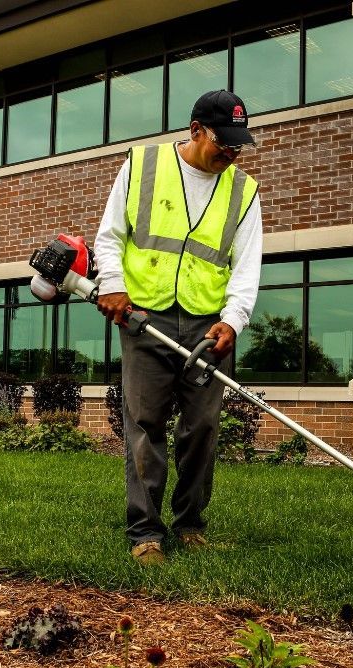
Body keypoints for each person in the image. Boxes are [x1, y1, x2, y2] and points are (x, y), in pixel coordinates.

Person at [93, 90, 263, 565]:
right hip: (145, 319)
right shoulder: (143, 166)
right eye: (223, 143)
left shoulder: (243, 190)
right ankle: (145, 532)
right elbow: (110, 236)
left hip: (208, 328)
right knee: (145, 424)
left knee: (202, 428)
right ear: (195, 131)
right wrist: (113, 285)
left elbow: (246, 267)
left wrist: (233, 320)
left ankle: (190, 522)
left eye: (238, 146)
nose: (231, 153)